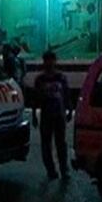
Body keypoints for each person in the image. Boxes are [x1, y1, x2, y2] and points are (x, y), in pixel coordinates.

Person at [32, 50, 72, 180]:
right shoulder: (40, 79)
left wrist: (69, 109)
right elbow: (35, 98)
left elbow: (66, 95)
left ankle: (63, 169)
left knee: (61, 143)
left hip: (59, 115)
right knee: (46, 144)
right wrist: (33, 115)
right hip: (46, 116)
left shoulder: (60, 77)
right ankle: (51, 170)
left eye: (51, 60)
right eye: (47, 60)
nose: (49, 63)